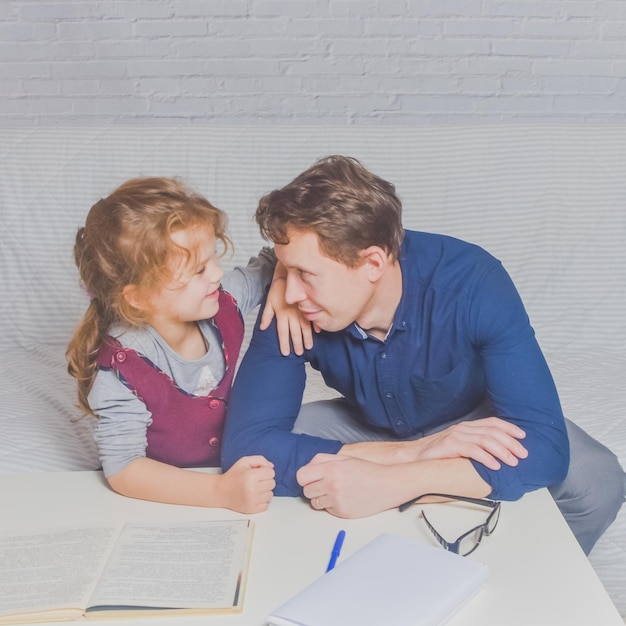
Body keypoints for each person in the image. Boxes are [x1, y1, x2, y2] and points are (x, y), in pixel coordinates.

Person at [222, 155, 625, 554]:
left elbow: (545, 445)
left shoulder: (473, 283)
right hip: (367, 426)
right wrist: (407, 454)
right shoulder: (292, 303)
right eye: (286, 270)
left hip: (472, 420)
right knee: (256, 462)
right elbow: (246, 448)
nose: (291, 292)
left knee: (598, 479)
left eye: (306, 274)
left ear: (373, 263)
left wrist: (401, 481)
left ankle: (512, 573)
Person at [66, 176, 310, 514]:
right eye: (197, 271)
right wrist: (219, 492)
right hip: (166, 496)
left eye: (212, 258)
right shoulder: (122, 367)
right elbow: (124, 469)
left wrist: (282, 287)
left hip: (240, 461)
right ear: (138, 296)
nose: (216, 273)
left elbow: (275, 260)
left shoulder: (225, 299)